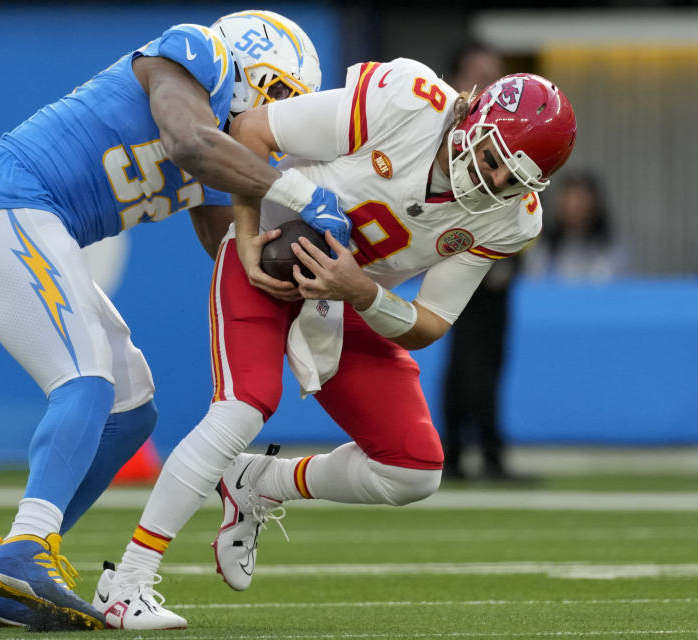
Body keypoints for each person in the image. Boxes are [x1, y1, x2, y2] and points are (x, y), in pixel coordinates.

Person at [94, 60, 576, 629]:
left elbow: (429, 324)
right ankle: (125, 582)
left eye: (513, 180)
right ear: (473, 114)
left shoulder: (511, 219)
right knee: (243, 406)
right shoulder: (407, 103)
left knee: (414, 469)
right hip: (271, 258)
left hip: (348, 301)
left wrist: (363, 292)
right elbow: (252, 132)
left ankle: (259, 482)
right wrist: (247, 238)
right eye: (495, 160)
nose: (494, 183)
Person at [0, 10, 344, 632]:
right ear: (250, 68)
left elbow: (231, 247)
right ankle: (22, 555)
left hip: (35, 225)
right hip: (3, 207)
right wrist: (297, 194)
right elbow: (188, 143)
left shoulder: (223, 143)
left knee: (130, 408)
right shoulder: (196, 50)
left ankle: (14, 561)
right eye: (278, 94)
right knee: (87, 380)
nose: (276, 115)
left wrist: (307, 281)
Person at [438, 41, 524, 481]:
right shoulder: (439, 128)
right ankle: (459, 451)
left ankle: (479, 450)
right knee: (466, 357)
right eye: (479, 75)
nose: (489, 86)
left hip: (492, 257)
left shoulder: (502, 133)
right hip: (455, 248)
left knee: (489, 357)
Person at [521, 171, 628, 280]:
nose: (574, 208)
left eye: (581, 200)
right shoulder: (542, 249)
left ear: (595, 204)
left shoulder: (614, 250)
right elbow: (532, 287)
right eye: (568, 199)